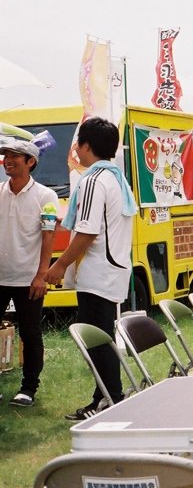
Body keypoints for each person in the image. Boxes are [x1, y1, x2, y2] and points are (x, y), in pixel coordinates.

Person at [43, 117, 136, 421]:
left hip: (98, 274)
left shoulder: (93, 181)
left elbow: (87, 233)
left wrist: (59, 266)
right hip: (114, 271)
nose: (76, 151)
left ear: (85, 145)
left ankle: (113, 400)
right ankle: (104, 398)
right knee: (101, 337)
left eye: (77, 144)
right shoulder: (115, 179)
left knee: (97, 341)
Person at [0, 140, 58, 407]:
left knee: (31, 333)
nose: (7, 161)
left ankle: (28, 388)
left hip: (28, 278)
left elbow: (48, 237)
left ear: (30, 161)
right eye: (5, 156)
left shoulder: (46, 196)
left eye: (14, 157)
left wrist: (41, 275)